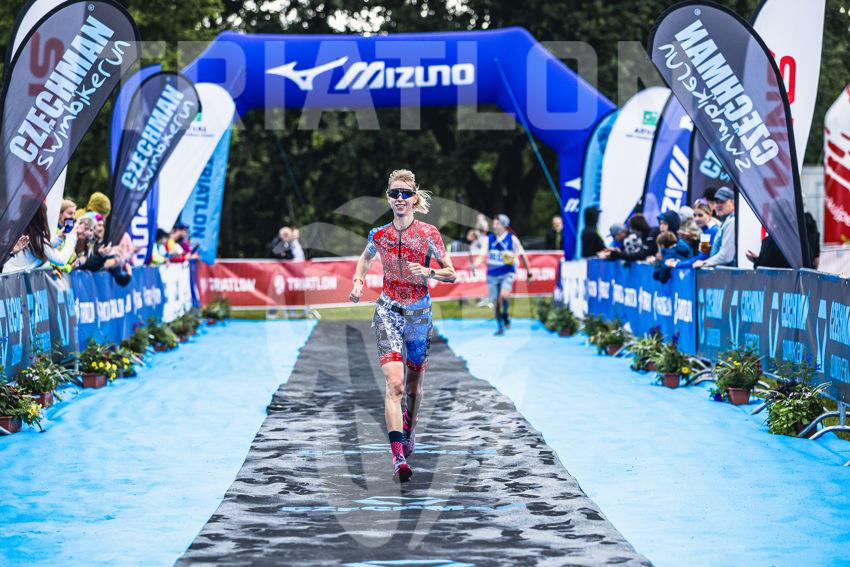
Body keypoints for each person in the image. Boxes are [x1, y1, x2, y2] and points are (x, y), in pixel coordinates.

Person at [349, 169, 456, 483]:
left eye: (405, 194)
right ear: (388, 198)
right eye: (394, 193)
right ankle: (398, 458)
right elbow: (365, 258)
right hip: (388, 311)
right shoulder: (379, 234)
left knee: (413, 388)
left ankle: (410, 426)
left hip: (419, 314)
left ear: (414, 198)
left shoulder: (428, 233)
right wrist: (358, 281)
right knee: (395, 384)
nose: (399, 198)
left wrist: (428, 271)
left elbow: (451, 273)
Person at [472, 214, 532, 336]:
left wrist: (529, 272)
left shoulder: (512, 239)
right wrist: (475, 265)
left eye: (497, 223)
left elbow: (522, 255)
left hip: (507, 272)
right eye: (494, 223)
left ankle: (505, 314)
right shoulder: (489, 239)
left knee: (503, 296)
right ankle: (500, 327)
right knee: (495, 302)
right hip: (492, 274)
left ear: (504, 225)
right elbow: (482, 256)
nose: (494, 225)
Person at [4, 203, 79, 274]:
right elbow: (61, 260)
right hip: (12, 279)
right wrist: (71, 237)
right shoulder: (35, 237)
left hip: (8, 276)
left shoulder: (27, 232)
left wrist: (59, 238)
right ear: (41, 217)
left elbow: (43, 248)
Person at [669, 199, 720, 269]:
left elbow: (702, 258)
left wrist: (677, 264)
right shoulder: (707, 231)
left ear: (709, 215)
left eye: (700, 215)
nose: (696, 219)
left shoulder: (711, 232)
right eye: (694, 215)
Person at [694, 186, 736, 268]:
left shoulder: (731, 222)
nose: (718, 205)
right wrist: (711, 250)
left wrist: (704, 263)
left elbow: (726, 256)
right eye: (716, 202)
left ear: (732, 202)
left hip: (728, 273)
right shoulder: (726, 221)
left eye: (722, 202)